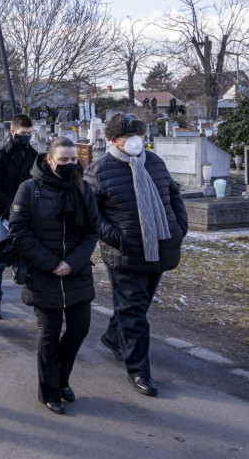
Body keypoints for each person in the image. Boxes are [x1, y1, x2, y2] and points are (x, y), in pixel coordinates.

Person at [84, 114, 187, 397]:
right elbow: (90, 214)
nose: (133, 141)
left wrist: (179, 226)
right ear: (113, 140)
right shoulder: (99, 169)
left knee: (137, 306)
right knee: (134, 311)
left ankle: (113, 337)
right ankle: (139, 370)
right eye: (126, 136)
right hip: (125, 253)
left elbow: (173, 193)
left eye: (137, 135)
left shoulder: (154, 162)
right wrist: (118, 238)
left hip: (160, 247)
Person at [9, 137, 100, 414]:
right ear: (49, 160)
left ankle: (62, 378)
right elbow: (19, 232)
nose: (70, 165)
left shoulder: (83, 189)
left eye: (74, 160)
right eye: (64, 160)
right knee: (49, 333)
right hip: (44, 272)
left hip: (77, 272)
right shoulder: (29, 189)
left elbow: (92, 231)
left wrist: (72, 263)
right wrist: (51, 263)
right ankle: (49, 390)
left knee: (79, 329)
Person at [0, 113, 37, 320]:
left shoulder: (34, 155)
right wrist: (14, 204)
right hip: (7, 215)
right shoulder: (1, 156)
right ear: (13, 132)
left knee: (32, 260)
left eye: (29, 134)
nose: (26, 137)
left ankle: (36, 303)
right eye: (23, 134)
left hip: (30, 216)